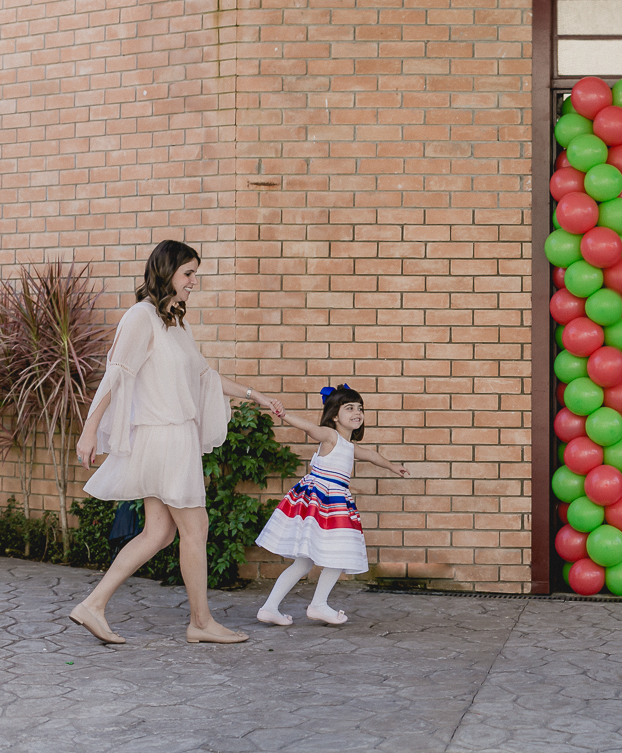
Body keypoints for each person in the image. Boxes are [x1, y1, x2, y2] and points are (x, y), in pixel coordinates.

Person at [72, 240, 285, 645]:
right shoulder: (141, 317)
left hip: (175, 437)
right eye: (188, 273)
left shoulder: (175, 322)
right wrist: (90, 429)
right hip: (165, 437)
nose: (193, 282)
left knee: (159, 533)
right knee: (195, 527)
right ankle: (200, 622)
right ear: (166, 272)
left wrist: (255, 395)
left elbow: (204, 376)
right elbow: (117, 374)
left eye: (194, 274)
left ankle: (93, 605)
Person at [255, 384, 408, 626]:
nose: (357, 412)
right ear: (335, 416)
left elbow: (371, 455)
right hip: (322, 501)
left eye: (360, 408)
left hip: (332, 501)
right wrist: (284, 415)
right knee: (336, 553)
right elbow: (310, 428)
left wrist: (392, 466)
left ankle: (271, 608)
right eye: (350, 408)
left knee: (309, 561)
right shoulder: (331, 436)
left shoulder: (350, 446)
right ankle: (313, 605)